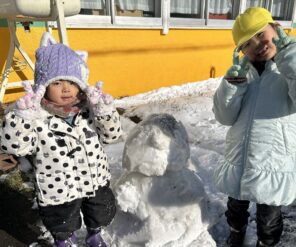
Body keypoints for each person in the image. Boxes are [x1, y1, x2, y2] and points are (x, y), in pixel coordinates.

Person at [0, 32, 122, 247]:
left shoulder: (89, 110)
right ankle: (64, 239)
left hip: (95, 179)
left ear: (81, 85)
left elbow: (111, 136)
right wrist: (22, 119)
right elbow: (14, 147)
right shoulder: (34, 115)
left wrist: (104, 111)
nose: (66, 88)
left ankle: (95, 234)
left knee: (100, 211)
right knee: (61, 220)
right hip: (57, 187)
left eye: (72, 82)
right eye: (57, 83)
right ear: (43, 87)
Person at [213, 7, 296, 247]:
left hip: (273, 161)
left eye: (261, 34)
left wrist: (289, 57)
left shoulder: (289, 67)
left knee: (269, 218)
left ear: (276, 28)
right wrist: (231, 86)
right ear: (241, 51)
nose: (258, 44)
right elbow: (224, 117)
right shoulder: (242, 73)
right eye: (247, 43)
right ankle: (236, 233)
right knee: (235, 208)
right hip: (238, 159)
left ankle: (266, 243)